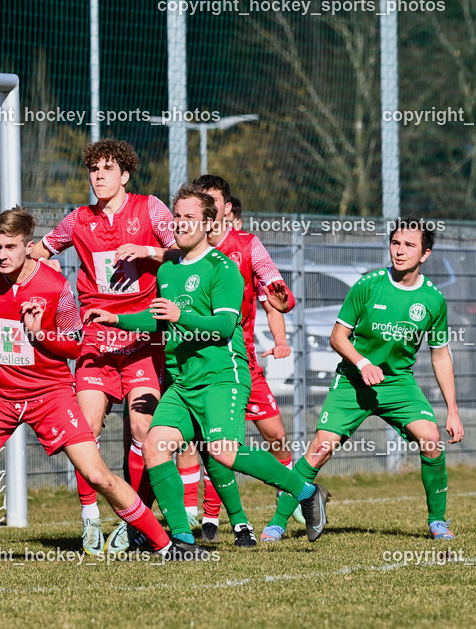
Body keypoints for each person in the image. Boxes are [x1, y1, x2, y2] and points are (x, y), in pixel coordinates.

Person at [0, 207, 206, 566]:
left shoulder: (55, 287)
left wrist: (40, 335)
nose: (2, 255)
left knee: (98, 475)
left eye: (10, 247)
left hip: (49, 395)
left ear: (29, 246)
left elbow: (74, 346)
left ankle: (165, 546)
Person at [85, 186, 330, 549]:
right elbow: (161, 320)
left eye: (188, 217)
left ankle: (305, 491)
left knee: (222, 451)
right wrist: (116, 319)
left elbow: (223, 328)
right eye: (177, 216)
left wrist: (180, 314)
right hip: (182, 382)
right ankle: (183, 540)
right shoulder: (168, 268)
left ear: (208, 223)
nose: (180, 223)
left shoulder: (223, 269)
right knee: (154, 446)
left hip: (221, 378)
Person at [262, 218, 464, 542]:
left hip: (398, 384)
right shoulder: (368, 284)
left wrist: (452, 409)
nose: (399, 251)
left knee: (431, 440)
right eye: (395, 243)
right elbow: (337, 337)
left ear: (425, 253)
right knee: (320, 450)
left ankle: (438, 522)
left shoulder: (433, 300)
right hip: (354, 381)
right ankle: (277, 523)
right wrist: (363, 362)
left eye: (409, 245)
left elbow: (440, 355)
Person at [30, 139, 174, 557]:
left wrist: (148, 251)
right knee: (84, 429)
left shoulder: (151, 209)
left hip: (141, 336)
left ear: (125, 175)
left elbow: (186, 252)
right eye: (93, 169)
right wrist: (43, 266)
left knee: (145, 431)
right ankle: (90, 516)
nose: (98, 176)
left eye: (108, 168)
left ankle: (135, 522)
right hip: (96, 339)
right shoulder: (78, 219)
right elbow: (40, 250)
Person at [173, 175, 301, 545]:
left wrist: (282, 308)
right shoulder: (182, 248)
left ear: (225, 209)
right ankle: (205, 516)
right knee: (198, 443)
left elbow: (276, 294)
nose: (205, 210)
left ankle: (289, 490)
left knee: (273, 434)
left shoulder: (245, 246)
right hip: (194, 362)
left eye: (211, 203)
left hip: (239, 358)